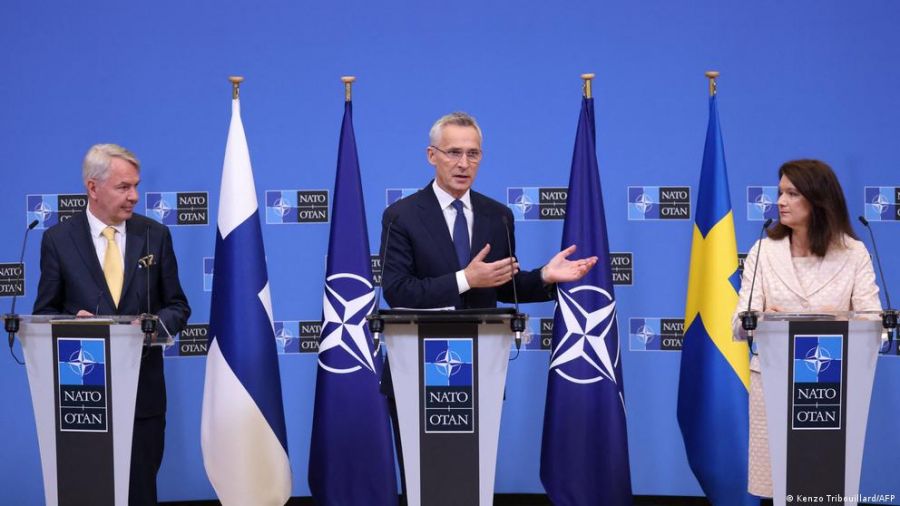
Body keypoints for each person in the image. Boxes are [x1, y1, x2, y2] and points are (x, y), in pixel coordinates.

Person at [33, 144, 191, 506]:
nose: (134, 196)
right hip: (83, 397)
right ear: (93, 187)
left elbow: (178, 306)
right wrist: (72, 324)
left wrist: (152, 325)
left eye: (135, 186)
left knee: (140, 493)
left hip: (143, 398)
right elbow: (44, 313)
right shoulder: (58, 240)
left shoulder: (154, 235)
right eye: (123, 187)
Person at [732, 159, 881, 498]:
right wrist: (762, 318)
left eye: (792, 194)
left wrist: (839, 319)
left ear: (818, 199)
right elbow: (739, 324)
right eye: (780, 193)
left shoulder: (853, 253)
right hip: (772, 382)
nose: (780, 202)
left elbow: (875, 323)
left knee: (821, 486)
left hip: (829, 385)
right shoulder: (763, 251)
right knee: (777, 486)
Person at [380, 111, 597, 310]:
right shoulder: (401, 216)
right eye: (454, 152)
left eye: (472, 154)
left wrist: (544, 275)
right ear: (431, 155)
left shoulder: (498, 215)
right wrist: (466, 279)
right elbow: (397, 291)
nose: (464, 164)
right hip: (424, 338)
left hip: (485, 338)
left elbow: (505, 286)